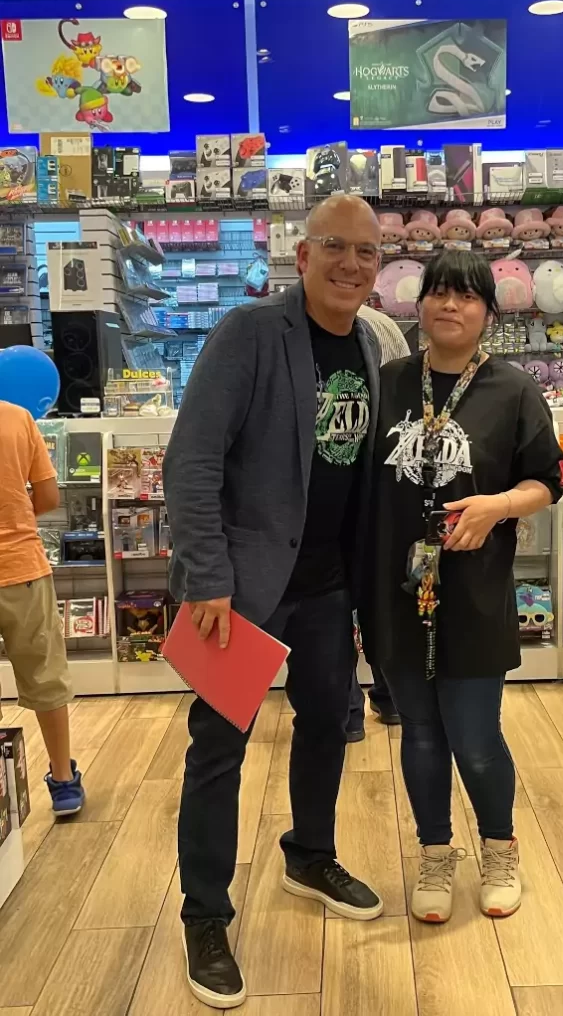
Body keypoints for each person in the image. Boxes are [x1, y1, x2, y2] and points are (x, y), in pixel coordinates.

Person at [163, 194, 385, 1011]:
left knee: (327, 727)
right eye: (335, 246)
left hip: (327, 588)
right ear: (302, 255)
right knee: (219, 751)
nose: (351, 264)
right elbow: (190, 461)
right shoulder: (250, 333)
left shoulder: (370, 342)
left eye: (366, 252)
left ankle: (310, 855)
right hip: (240, 592)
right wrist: (208, 576)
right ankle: (205, 915)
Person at [368, 252, 563, 925]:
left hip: (477, 595)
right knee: (420, 735)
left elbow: (547, 481)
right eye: (438, 292)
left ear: (488, 311)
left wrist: (498, 506)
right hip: (400, 594)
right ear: (418, 304)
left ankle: (500, 850)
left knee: (476, 739)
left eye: (466, 295)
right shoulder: (390, 382)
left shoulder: (514, 389)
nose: (450, 305)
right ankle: (434, 854)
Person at [0, 400, 84, 815]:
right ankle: (63, 781)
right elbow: (48, 497)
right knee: (45, 677)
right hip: (21, 566)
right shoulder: (17, 418)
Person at [347, 305, 409, 737]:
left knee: (338, 606)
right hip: (383, 482)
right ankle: (390, 699)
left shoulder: (325, 325)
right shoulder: (386, 325)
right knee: (381, 595)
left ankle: (347, 711)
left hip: (337, 488)